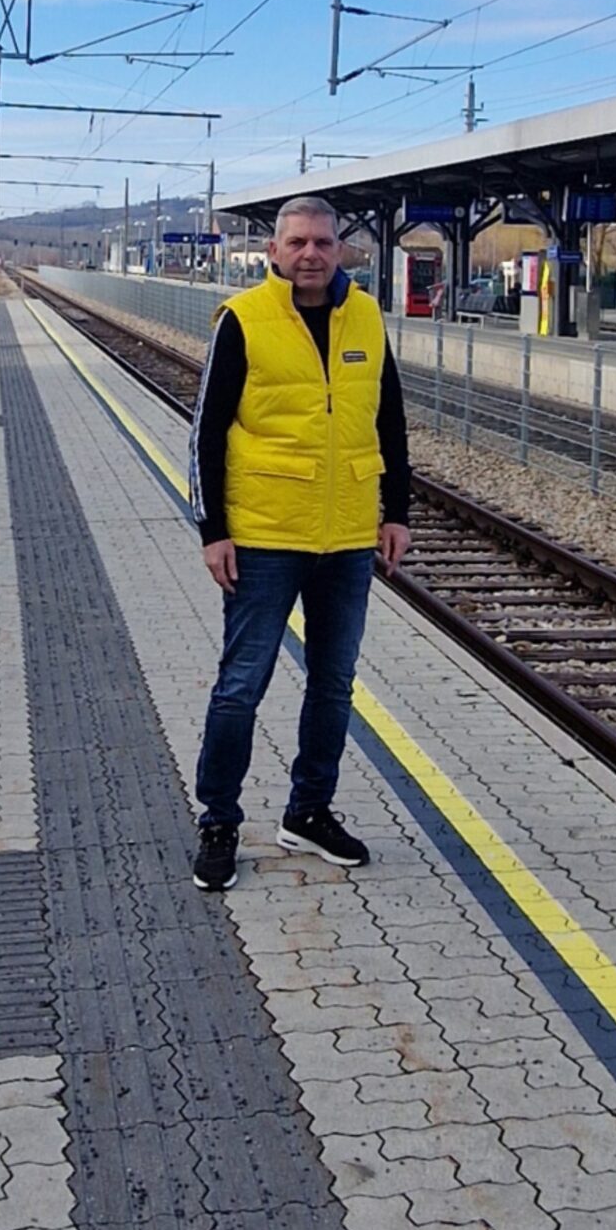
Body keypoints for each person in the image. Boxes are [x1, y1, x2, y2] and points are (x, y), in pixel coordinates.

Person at [185, 194, 411, 891]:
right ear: (274, 251)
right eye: (296, 242)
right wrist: (213, 529)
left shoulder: (367, 315)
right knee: (241, 684)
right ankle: (218, 819)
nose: (310, 253)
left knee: (333, 683)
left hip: (344, 533)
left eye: (322, 241)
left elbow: (391, 417)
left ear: (340, 248)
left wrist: (396, 511)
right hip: (263, 534)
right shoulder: (244, 320)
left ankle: (308, 810)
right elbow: (206, 431)